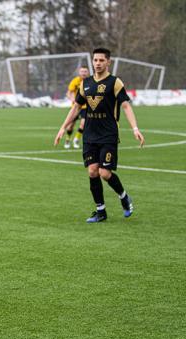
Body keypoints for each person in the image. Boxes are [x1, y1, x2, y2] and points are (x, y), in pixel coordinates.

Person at [54, 48, 145, 223]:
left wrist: (135, 128)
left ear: (108, 62)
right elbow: (75, 107)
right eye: (95, 60)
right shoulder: (85, 83)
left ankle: (124, 197)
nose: (98, 63)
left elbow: (125, 106)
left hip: (108, 134)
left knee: (104, 172)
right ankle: (100, 211)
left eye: (101, 60)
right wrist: (63, 128)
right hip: (89, 135)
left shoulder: (115, 82)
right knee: (93, 171)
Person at [64, 66, 90, 149]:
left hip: (86, 107)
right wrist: (72, 99)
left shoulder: (91, 81)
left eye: (85, 71)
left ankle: (76, 139)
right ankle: (67, 139)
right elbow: (68, 93)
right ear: (79, 72)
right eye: (82, 71)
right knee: (70, 126)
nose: (83, 73)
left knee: (83, 124)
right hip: (76, 107)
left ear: (88, 72)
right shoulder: (75, 81)